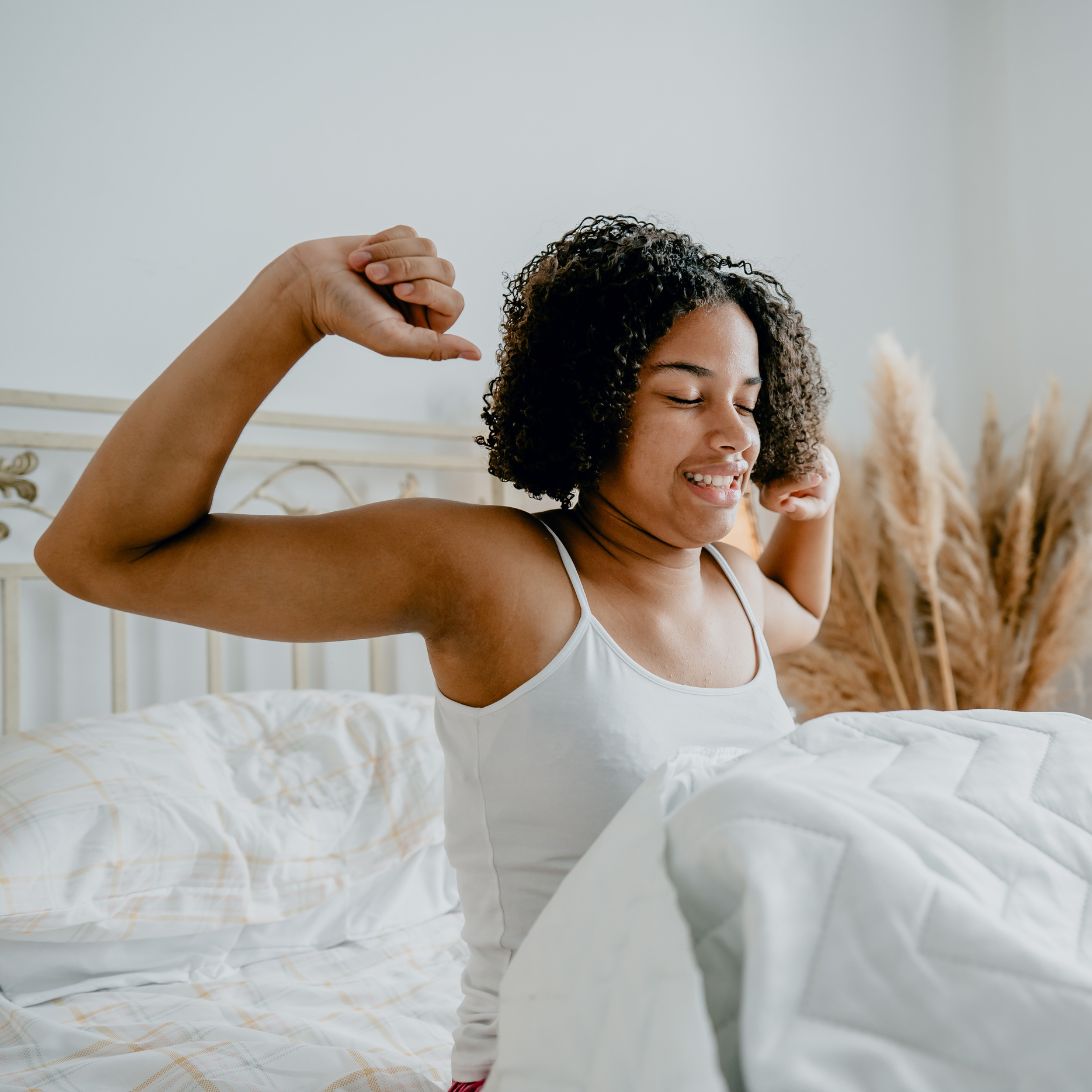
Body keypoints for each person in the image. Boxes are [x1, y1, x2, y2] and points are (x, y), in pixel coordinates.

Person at [34, 215, 838, 1091]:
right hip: (571, 1062)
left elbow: (800, 607)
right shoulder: (495, 575)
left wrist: (818, 492)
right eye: (686, 397)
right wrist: (293, 301)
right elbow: (100, 556)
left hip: (755, 1042)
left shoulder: (732, 583)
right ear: (595, 400)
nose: (735, 436)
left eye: (750, 403)